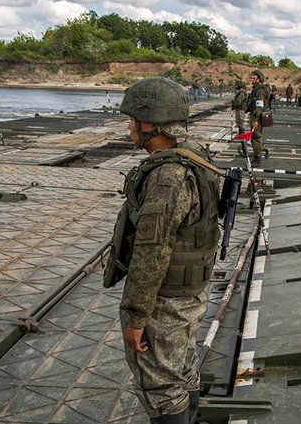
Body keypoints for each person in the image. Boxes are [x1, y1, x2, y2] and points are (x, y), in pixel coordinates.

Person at [104, 77, 221, 424]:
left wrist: (137, 317)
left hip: (165, 305)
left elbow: (151, 253)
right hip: (191, 295)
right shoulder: (196, 159)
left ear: (150, 125)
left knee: (162, 388)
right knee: (183, 371)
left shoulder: (168, 176)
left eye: (132, 120)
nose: (128, 125)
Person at [246, 69, 271, 165]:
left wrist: (255, 119)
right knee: (256, 136)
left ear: (259, 79)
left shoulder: (260, 91)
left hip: (257, 115)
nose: (252, 79)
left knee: (256, 136)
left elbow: (259, 106)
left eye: (254, 77)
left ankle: (257, 158)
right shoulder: (257, 89)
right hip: (256, 114)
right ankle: (257, 152)